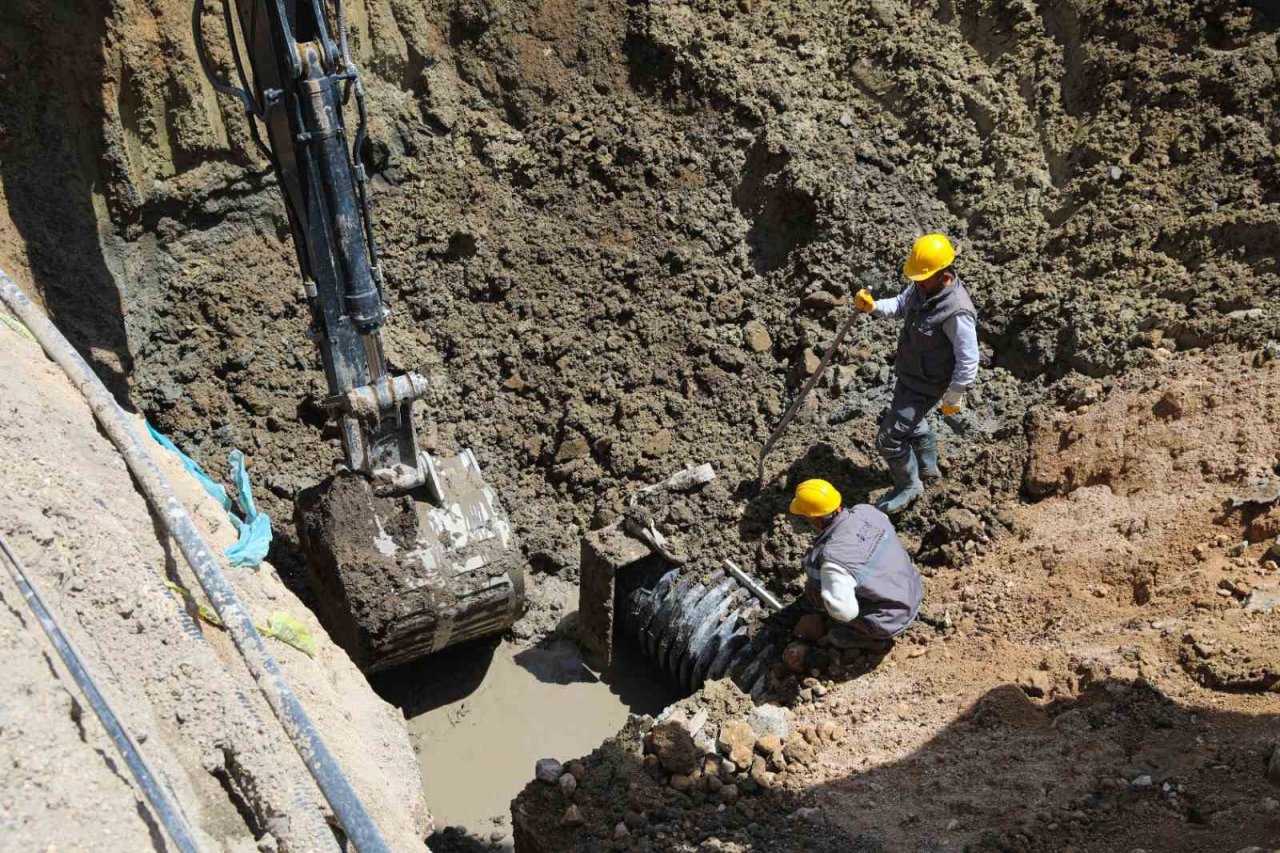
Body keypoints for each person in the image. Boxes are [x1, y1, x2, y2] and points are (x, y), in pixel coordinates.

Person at [853, 233, 979, 515]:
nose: (917, 282)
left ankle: (909, 486)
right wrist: (873, 306)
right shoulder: (923, 287)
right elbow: (899, 304)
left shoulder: (957, 311)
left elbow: (968, 359)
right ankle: (928, 469)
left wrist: (955, 394)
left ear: (942, 272)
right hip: (910, 374)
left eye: (923, 277)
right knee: (912, 423)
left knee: (889, 439)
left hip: (927, 384)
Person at [789, 478, 922, 648]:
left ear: (816, 519)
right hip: (914, 587)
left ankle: (868, 638)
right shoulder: (866, 511)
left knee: (815, 592)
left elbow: (845, 612)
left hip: (891, 621)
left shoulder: (833, 559)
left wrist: (829, 601)